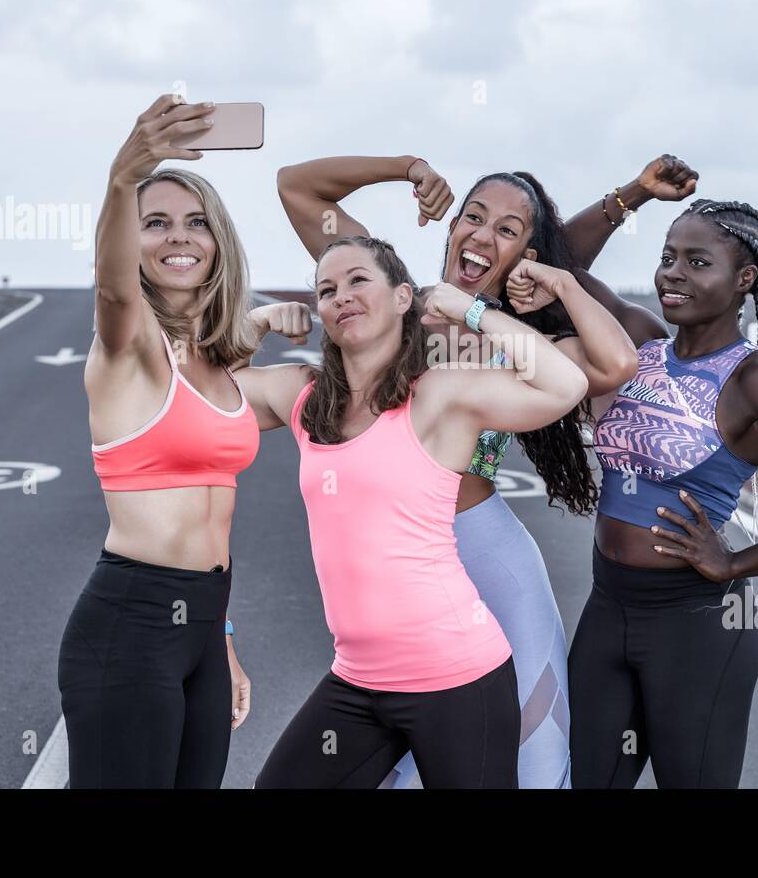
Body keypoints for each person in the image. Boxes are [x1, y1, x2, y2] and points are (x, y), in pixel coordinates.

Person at [274, 156, 639, 787]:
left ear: (526, 253)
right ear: (449, 228)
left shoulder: (517, 341)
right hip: (395, 559)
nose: (482, 235)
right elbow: (296, 187)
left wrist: (561, 284)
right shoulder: (386, 302)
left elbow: (615, 364)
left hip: (485, 547)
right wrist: (405, 169)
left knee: (534, 728)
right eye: (473, 217)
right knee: (387, 731)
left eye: (508, 230)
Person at [565, 193, 758, 788]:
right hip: (606, 610)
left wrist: (737, 560)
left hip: (695, 628)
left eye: (697, 262)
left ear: (745, 279)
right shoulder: (637, 343)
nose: (673, 274)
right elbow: (558, 261)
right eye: (667, 257)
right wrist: (631, 193)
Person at [58, 94, 308, 787]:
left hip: (202, 625)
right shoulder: (128, 347)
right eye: (156, 223)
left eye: (197, 223)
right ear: (129, 240)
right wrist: (122, 174)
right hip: (128, 626)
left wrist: (220, 638)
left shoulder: (220, 371)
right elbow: (113, 294)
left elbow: (215, 524)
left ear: (218, 240)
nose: (179, 237)